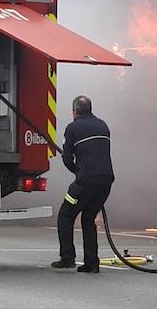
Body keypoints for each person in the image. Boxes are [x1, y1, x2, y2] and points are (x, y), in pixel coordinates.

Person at [51, 95, 115, 273]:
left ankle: (67, 258)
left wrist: (78, 172)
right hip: (106, 181)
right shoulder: (103, 125)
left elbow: (66, 158)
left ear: (75, 111)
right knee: (88, 218)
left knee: (65, 214)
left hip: (85, 181)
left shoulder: (72, 128)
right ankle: (92, 263)